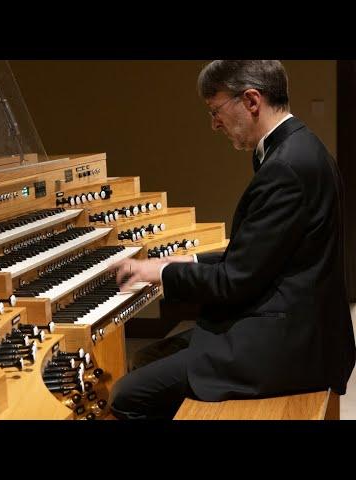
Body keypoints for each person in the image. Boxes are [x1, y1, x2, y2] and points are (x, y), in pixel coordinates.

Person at [109, 60, 356, 420]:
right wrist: (182, 263)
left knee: (128, 397)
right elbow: (259, 257)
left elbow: (234, 281)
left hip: (290, 345)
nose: (214, 124)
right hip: (296, 325)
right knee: (148, 357)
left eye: (216, 110)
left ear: (251, 101)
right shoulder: (297, 147)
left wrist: (159, 275)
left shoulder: (287, 167)